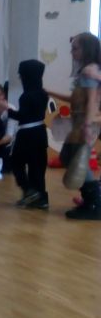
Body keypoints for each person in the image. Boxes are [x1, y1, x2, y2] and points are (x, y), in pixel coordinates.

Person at [48, 33, 101, 219]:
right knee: (67, 156)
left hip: (85, 124)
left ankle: (94, 203)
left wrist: (87, 125)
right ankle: (91, 200)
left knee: (76, 159)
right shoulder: (86, 72)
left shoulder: (89, 71)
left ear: (87, 50)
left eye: (75, 48)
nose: (72, 52)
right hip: (80, 123)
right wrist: (48, 91)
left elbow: (92, 101)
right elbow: (75, 99)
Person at [9, 59, 50, 210]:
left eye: (21, 75)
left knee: (16, 162)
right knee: (37, 166)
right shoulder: (43, 94)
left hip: (27, 134)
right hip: (40, 133)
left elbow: (23, 117)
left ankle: (29, 191)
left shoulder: (26, 96)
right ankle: (41, 198)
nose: (20, 77)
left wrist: (7, 110)